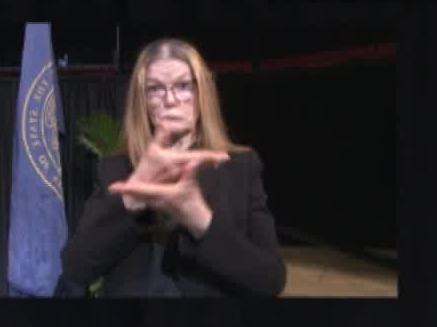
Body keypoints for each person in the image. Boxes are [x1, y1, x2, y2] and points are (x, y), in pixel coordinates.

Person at [56, 38, 287, 297]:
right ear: (142, 101)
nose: (170, 99)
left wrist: (199, 219)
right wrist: (133, 198)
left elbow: (270, 281)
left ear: (202, 94)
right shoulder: (115, 167)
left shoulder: (241, 166)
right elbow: (76, 268)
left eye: (183, 86)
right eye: (155, 89)